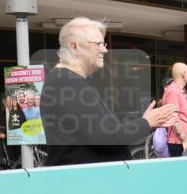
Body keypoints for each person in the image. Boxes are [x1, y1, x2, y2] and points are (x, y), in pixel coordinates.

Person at [40, 17, 177, 166]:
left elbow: (103, 131)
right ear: (74, 47)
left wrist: (144, 122)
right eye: (98, 44)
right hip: (86, 184)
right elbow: (108, 136)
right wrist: (147, 123)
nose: (104, 50)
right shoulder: (68, 83)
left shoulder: (64, 81)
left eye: (103, 44)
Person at [162, 63, 187, 156]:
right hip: (179, 142)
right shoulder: (173, 91)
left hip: (184, 141)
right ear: (184, 74)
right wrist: (184, 140)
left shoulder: (178, 90)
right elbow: (173, 117)